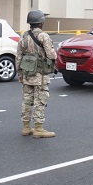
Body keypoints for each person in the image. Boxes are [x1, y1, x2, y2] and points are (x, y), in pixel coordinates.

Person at [16, 9, 57, 138]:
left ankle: (26, 127)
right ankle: (38, 128)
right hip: (40, 74)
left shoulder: (24, 36)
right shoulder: (43, 36)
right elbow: (51, 54)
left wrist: (20, 73)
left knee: (27, 100)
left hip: (27, 73)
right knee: (40, 100)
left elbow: (18, 56)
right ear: (41, 22)